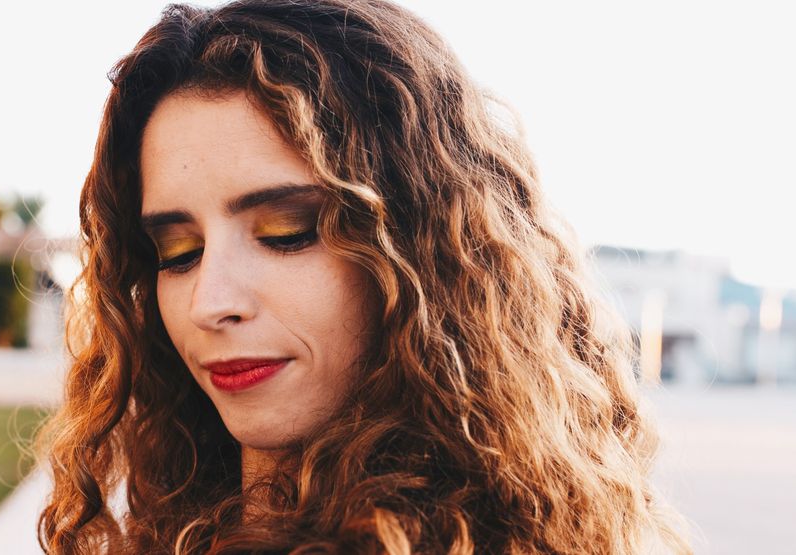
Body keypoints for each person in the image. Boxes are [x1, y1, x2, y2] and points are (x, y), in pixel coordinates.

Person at [34, 0, 692, 552]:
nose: (211, 300)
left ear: (423, 252)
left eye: (287, 232)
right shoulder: (174, 517)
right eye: (177, 250)